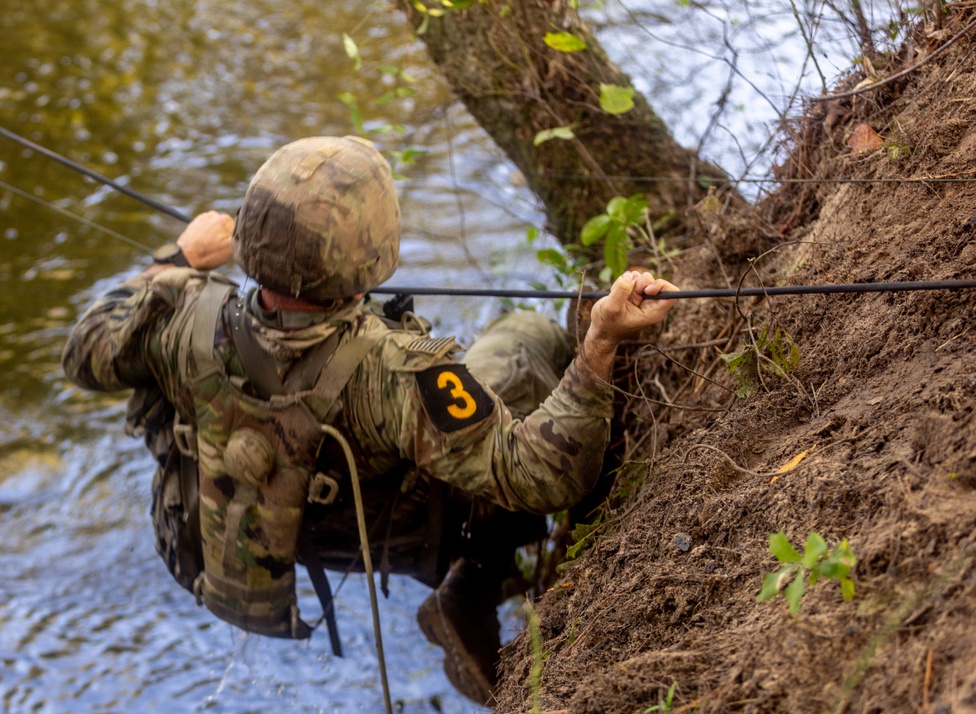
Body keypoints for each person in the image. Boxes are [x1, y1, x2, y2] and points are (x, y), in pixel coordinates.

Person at [61, 136, 679, 705]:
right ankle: (479, 575)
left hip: (313, 542)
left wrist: (179, 258)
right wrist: (599, 339)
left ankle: (479, 582)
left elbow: (84, 352)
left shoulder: (178, 316)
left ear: (250, 238)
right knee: (525, 337)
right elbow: (542, 475)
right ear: (372, 250)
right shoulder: (397, 373)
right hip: (425, 537)